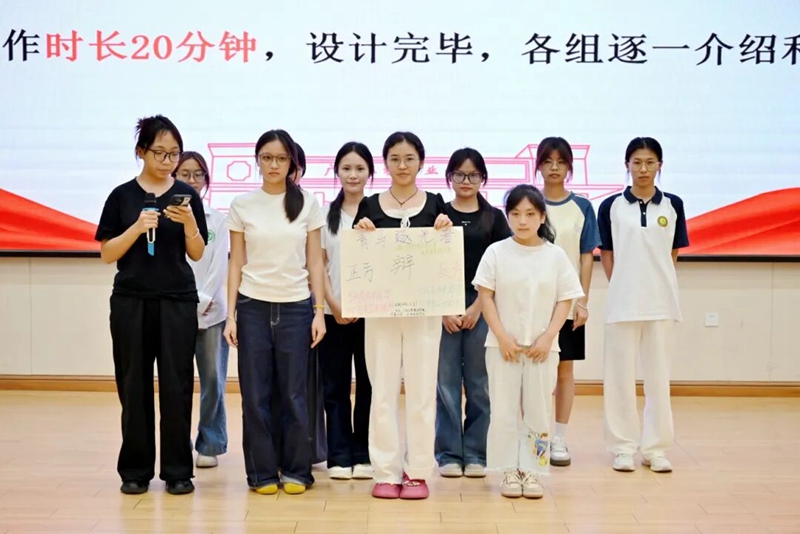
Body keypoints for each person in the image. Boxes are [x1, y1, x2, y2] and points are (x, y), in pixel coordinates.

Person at [95, 115, 208, 496]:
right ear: (141, 151)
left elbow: (197, 252)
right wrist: (136, 228)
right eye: (159, 152)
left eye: (173, 153)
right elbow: (107, 253)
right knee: (133, 384)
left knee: (177, 384)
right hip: (131, 300)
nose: (167, 161)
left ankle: (178, 470)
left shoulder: (187, 196)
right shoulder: (122, 196)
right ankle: (135, 470)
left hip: (177, 300)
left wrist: (189, 223)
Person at [224, 129, 327, 495]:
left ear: (291, 163)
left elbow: (315, 261)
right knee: (255, 396)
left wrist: (318, 311)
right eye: (267, 157)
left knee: (294, 395)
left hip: (297, 308)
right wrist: (231, 315)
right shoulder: (242, 204)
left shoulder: (307, 204)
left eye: (281, 158)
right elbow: (236, 262)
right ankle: (262, 473)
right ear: (257, 160)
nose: (274, 164)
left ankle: (297, 470)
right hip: (252, 307)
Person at [354, 131, 452, 500]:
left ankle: (417, 471)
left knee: (422, 391)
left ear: (421, 162)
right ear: (385, 163)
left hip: (423, 313)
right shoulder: (369, 205)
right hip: (380, 313)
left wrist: (445, 231)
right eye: (395, 158)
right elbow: (357, 258)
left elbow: (444, 256)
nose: (402, 165)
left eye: (409, 158)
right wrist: (361, 232)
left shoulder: (435, 204)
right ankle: (385, 471)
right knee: (382, 391)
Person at [474, 184, 583, 499]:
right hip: (502, 348)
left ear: (542, 217)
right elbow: (486, 296)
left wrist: (548, 337)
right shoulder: (496, 252)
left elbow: (565, 299)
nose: (522, 221)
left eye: (530, 214)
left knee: (537, 410)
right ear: (507, 216)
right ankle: (508, 470)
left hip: (542, 349)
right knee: (503, 411)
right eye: (516, 214)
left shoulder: (555, 255)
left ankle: (533, 470)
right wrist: (501, 336)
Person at [598, 137, 689, 474]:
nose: (643, 169)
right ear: (627, 165)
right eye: (636, 162)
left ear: (660, 165)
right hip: (622, 304)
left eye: (650, 162)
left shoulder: (673, 205)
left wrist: (655, 283)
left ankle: (656, 448)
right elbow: (607, 254)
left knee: (658, 379)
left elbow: (672, 253)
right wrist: (624, 285)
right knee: (619, 379)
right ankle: (622, 447)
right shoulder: (610, 206)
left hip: (661, 304)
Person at [436, 148, 511, 479]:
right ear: (449, 177)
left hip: (484, 303)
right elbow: (426, 263)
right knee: (446, 383)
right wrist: (443, 308)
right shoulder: (438, 213)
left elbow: (502, 265)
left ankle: (478, 453)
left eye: (473, 175)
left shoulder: (495, 217)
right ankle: (449, 454)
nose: (466, 181)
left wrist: (479, 305)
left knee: (480, 383)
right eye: (459, 174)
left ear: (483, 178)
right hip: (441, 304)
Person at [538, 137, 601, 467]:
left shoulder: (583, 207)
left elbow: (586, 256)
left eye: (560, 162)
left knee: (565, 370)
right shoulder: (528, 201)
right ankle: (533, 437)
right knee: (533, 373)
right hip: (533, 304)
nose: (554, 168)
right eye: (547, 161)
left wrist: (582, 301)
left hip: (568, 304)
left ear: (569, 167)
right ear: (538, 165)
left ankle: (559, 438)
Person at [319, 141, 375, 480]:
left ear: (370, 172)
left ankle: (364, 453)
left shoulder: (380, 212)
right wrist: (334, 304)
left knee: (370, 386)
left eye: (360, 169)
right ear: (337, 172)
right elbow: (318, 266)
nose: (353, 175)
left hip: (373, 316)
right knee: (335, 386)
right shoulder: (325, 215)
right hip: (334, 313)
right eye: (346, 168)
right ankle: (339, 454)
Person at [173, 152, 230, 469]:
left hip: (211, 312)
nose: (191, 180)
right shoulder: (165, 218)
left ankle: (210, 443)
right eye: (185, 174)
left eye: (198, 175)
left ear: (207, 181)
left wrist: (202, 299)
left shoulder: (217, 220)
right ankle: (177, 445)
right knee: (177, 382)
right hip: (175, 310)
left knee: (213, 381)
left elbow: (219, 266)